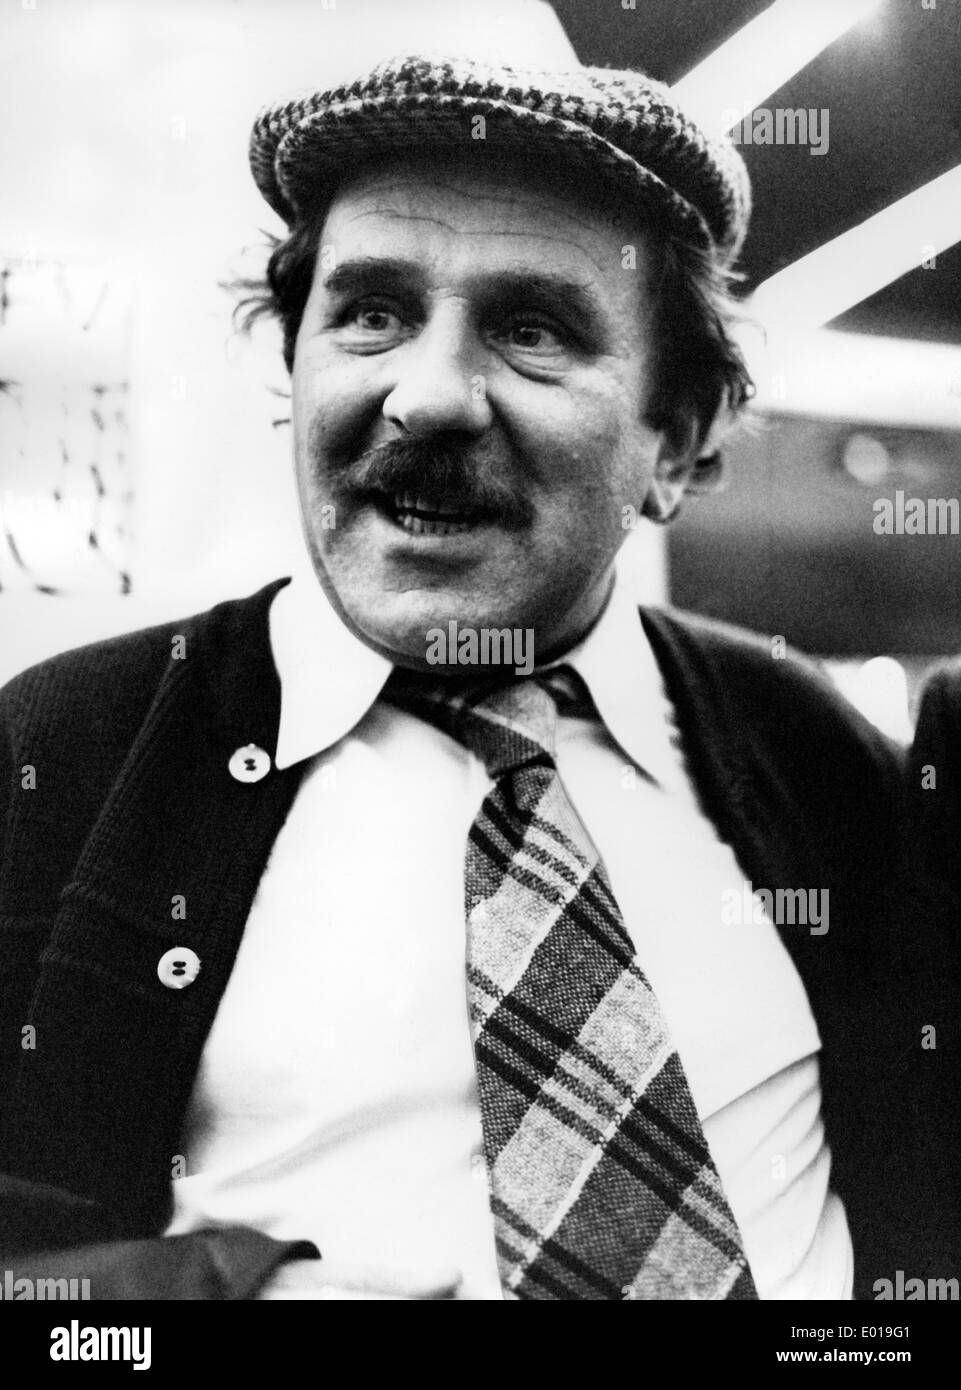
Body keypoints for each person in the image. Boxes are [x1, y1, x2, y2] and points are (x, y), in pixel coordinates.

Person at [0, 53, 925, 1300]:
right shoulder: (59, 751)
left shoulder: (809, 751)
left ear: (676, 443)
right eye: (371, 312)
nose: (428, 396)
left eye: (531, 330)